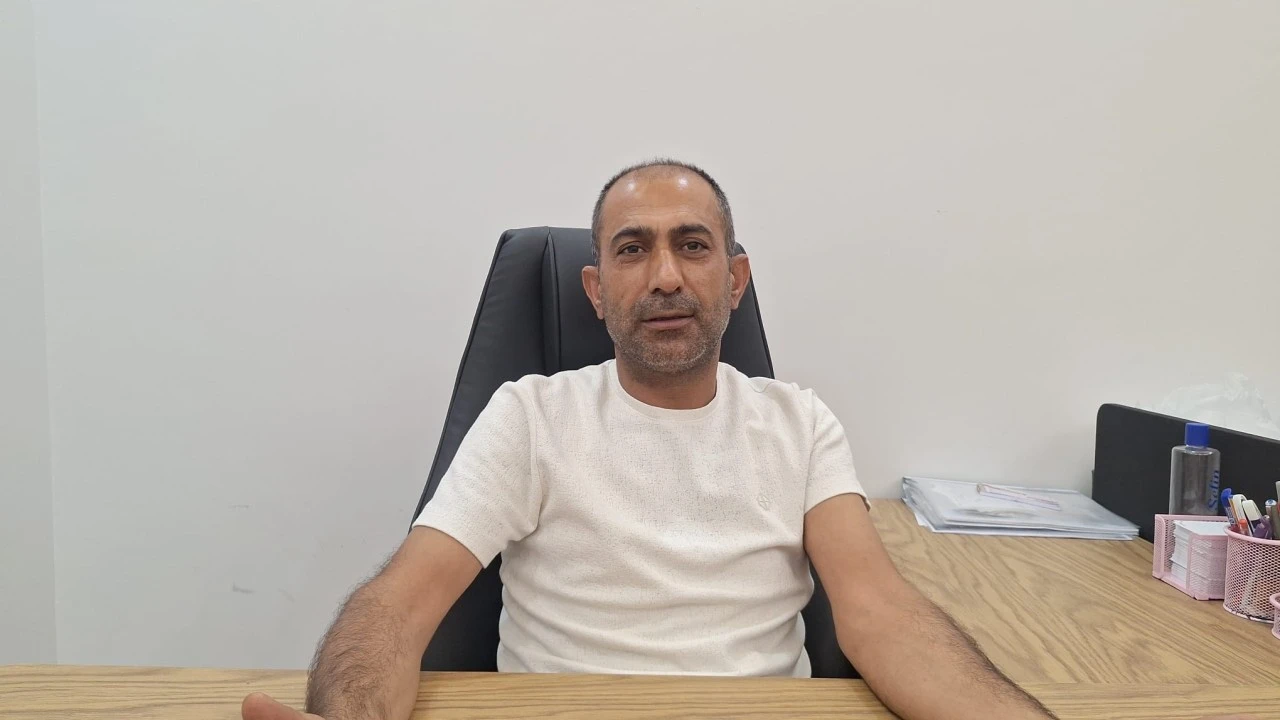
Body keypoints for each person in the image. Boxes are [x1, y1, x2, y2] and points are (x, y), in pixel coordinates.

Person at [241, 160, 1251, 720]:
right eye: (632, 250)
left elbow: (880, 615)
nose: (665, 276)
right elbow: (397, 604)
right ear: (595, 290)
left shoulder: (797, 421)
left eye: (693, 246)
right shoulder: (530, 414)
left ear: (735, 279)